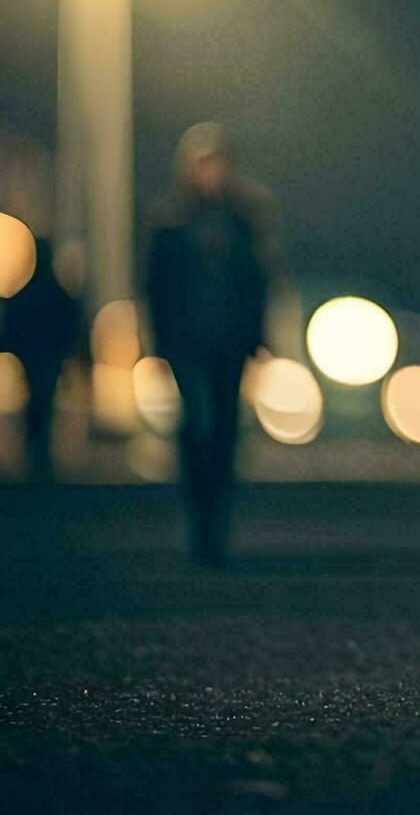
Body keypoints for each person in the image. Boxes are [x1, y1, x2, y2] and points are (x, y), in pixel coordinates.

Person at [145, 123, 276, 566]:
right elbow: (156, 286)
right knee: (197, 423)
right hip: (188, 341)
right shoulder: (171, 220)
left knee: (222, 426)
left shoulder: (244, 219)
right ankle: (200, 521)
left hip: (228, 341)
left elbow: (258, 282)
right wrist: (160, 340)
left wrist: (258, 335)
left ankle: (213, 524)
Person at [0, 237, 82, 483]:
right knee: (42, 403)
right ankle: (40, 455)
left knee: (39, 403)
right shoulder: (55, 293)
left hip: (36, 357)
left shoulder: (32, 293)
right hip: (46, 357)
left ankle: (38, 454)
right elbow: (70, 322)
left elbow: (14, 323)